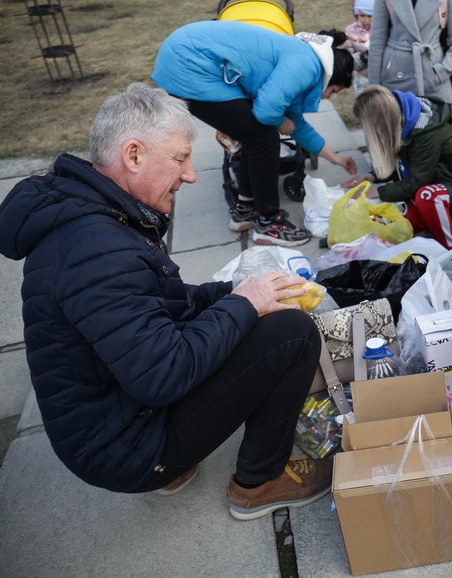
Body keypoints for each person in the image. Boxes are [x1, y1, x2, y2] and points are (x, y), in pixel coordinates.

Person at [0, 83, 332, 519]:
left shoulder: (97, 212)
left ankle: (184, 461)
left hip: (116, 414)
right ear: (133, 155)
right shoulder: (95, 251)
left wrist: (234, 293)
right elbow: (163, 374)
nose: (191, 174)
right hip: (122, 449)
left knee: (260, 315)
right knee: (293, 334)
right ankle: (259, 483)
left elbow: (163, 305)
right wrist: (246, 305)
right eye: (179, 159)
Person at [151, 21, 358, 247]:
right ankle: (268, 223)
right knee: (264, 138)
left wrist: (336, 158)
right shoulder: (307, 66)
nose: (328, 97)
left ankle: (245, 209)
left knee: (254, 135)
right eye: (334, 91)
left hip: (185, 57)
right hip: (189, 65)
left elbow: (297, 125)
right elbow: (268, 110)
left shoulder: (305, 59)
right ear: (331, 76)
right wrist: (280, 121)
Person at [342, 85, 452, 248]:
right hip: (433, 179)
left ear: (380, 121)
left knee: (426, 196)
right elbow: (405, 165)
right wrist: (371, 176)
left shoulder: (426, 131)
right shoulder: (403, 114)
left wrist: (377, 192)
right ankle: (430, 231)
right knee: (388, 222)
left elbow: (418, 180)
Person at [344, 0, 378, 95]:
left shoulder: (381, 29)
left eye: (370, 16)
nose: (366, 20)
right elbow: (349, 54)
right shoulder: (351, 31)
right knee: (362, 97)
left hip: (378, 72)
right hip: (360, 74)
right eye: (362, 16)